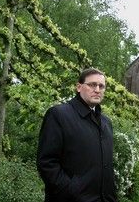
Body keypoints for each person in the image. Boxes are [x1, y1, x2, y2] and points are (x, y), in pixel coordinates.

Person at [37, 68, 117, 202]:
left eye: (101, 86)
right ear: (79, 87)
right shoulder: (59, 115)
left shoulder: (106, 123)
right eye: (92, 85)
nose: (97, 89)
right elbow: (47, 163)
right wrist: (71, 192)